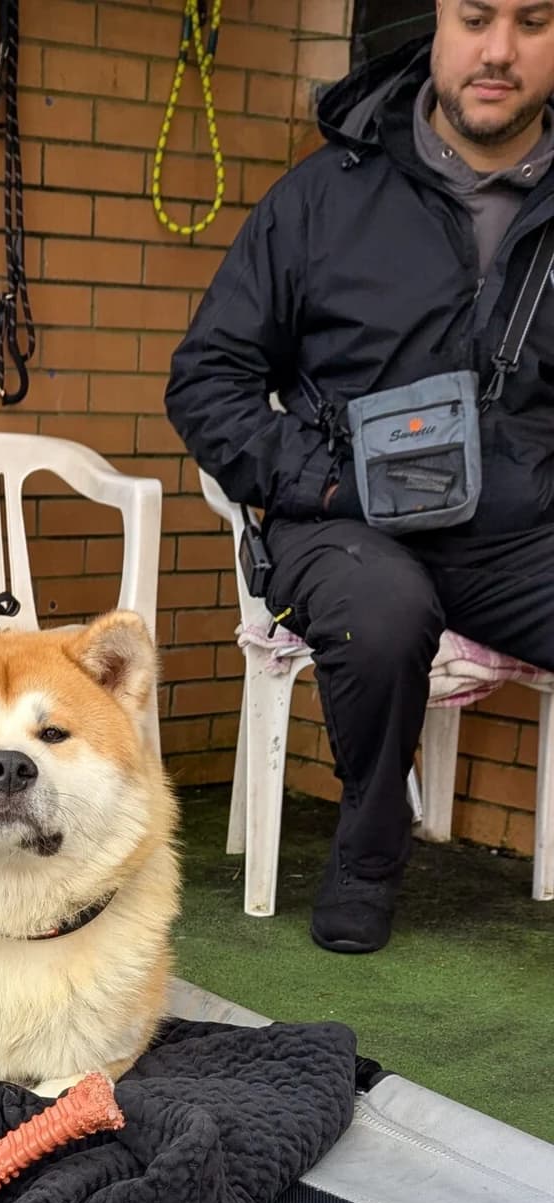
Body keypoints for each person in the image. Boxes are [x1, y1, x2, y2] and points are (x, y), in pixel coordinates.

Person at [165, 0, 554, 952]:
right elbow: (207, 379)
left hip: (516, 531)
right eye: (476, 17)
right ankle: (368, 852)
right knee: (377, 613)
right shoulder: (320, 197)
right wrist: (324, 483)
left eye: (535, 20)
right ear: (437, 25)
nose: (498, 50)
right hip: (345, 520)